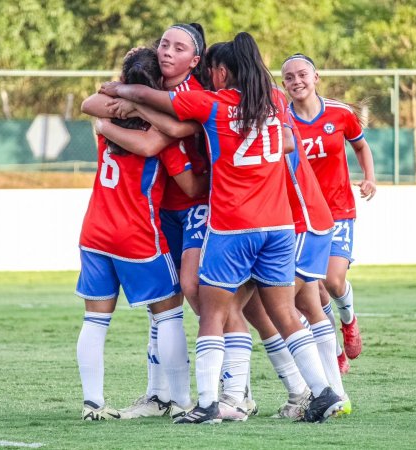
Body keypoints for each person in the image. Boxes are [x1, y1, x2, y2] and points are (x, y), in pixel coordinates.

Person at [100, 32, 345, 424]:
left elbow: (159, 106)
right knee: (284, 313)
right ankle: (322, 392)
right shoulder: (272, 101)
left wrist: (122, 91)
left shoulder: (213, 104)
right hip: (279, 227)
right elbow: (286, 141)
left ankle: (209, 403)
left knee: (212, 313)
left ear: (219, 71)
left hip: (233, 227)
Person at [83, 23, 210, 419]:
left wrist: (109, 118)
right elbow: (158, 145)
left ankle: (92, 403)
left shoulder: (108, 128)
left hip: (94, 231)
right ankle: (181, 400)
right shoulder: (157, 134)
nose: (168, 51)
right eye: (164, 46)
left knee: (94, 321)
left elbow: (91, 104)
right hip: (137, 232)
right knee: (168, 313)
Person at [243, 105, 350, 419]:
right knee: (308, 304)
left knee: (279, 307)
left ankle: (312, 393)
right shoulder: (273, 105)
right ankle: (335, 394)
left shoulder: (262, 110)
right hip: (304, 220)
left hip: (301, 222)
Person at [282, 54, 376, 372]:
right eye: (289, 77)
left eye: (302, 74)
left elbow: (360, 146)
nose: (297, 81)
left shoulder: (340, 113)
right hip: (301, 214)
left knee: (333, 281)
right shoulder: (282, 120)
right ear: (284, 84)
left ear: (316, 77)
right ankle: (334, 351)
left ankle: (349, 321)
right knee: (312, 288)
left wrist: (369, 178)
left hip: (338, 209)